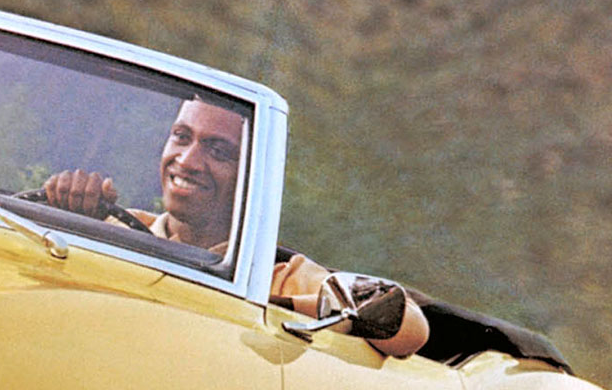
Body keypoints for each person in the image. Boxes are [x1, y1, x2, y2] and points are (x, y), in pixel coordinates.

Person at [39, 97, 429, 358]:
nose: (187, 161)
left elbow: (411, 327)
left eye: (218, 150)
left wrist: (271, 305)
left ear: (252, 176)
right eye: (181, 137)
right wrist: (64, 208)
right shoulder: (110, 229)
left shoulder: (275, 276)